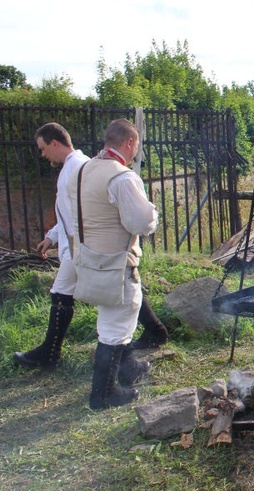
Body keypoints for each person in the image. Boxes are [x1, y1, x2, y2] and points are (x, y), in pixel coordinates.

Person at [12, 123, 168, 370]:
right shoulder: (78, 168)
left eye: (43, 148)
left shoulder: (81, 166)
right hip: (82, 246)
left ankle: (56, 354)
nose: (43, 155)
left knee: (110, 292)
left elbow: (87, 215)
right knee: (113, 293)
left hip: (86, 247)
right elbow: (70, 213)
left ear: (55, 143)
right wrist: (53, 237)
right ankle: (143, 343)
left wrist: (80, 245)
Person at [70, 118, 158, 410]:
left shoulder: (84, 171)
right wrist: (152, 213)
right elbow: (141, 222)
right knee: (116, 326)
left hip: (90, 260)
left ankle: (129, 368)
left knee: (112, 319)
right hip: (117, 263)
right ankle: (103, 394)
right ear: (130, 142)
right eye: (136, 146)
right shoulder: (121, 177)